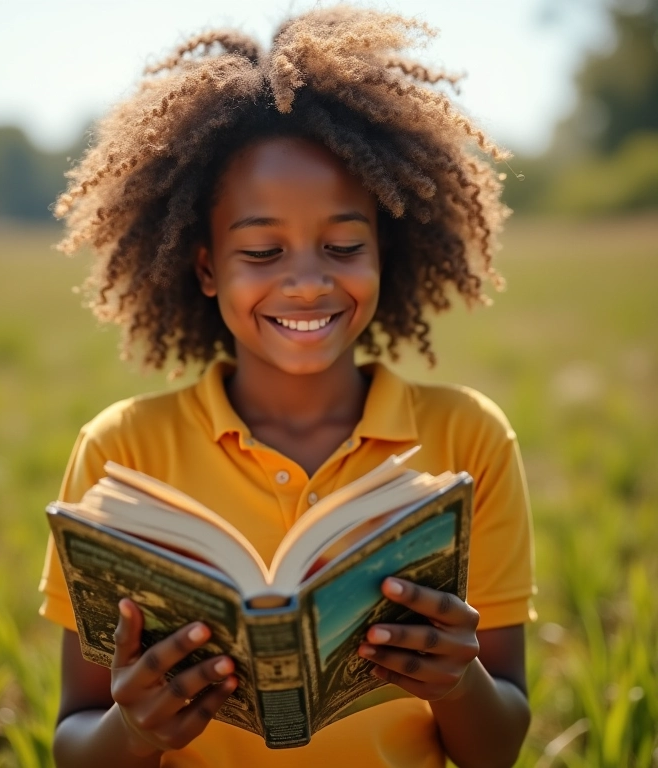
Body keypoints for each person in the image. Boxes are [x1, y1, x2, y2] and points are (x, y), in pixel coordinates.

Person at [38, 6, 535, 767]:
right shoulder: (119, 451)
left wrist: (457, 682)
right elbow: (74, 740)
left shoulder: (468, 439)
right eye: (263, 250)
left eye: (342, 245)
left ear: (383, 251)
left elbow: (497, 746)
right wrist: (133, 729)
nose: (307, 283)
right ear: (206, 267)